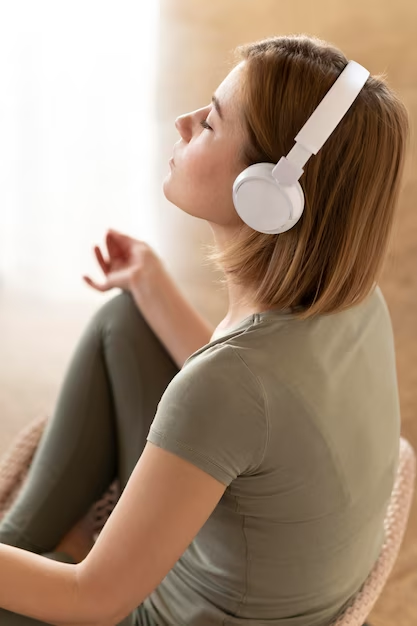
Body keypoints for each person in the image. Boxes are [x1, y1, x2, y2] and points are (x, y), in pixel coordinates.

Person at [0, 33, 409, 626]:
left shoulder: (228, 384)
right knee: (127, 318)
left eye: (212, 124)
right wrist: (152, 283)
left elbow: (90, 600)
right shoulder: (354, 303)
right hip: (256, 569)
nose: (185, 122)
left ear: (268, 194)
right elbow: (251, 413)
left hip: (159, 613)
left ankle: (28, 549)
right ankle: (22, 546)